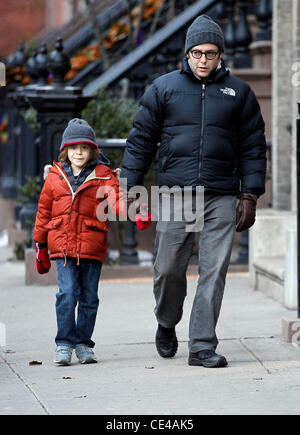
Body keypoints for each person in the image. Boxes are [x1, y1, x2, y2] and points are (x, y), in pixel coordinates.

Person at [120, 15, 267, 368]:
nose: (203, 60)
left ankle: (201, 345)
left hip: (220, 194)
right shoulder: (163, 88)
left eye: (211, 53)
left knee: (213, 271)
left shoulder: (240, 92)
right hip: (175, 193)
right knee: (168, 268)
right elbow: (141, 141)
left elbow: (253, 148)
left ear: (221, 55)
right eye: (197, 53)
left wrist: (250, 194)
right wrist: (129, 186)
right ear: (187, 54)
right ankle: (167, 321)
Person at [33, 118, 127, 366]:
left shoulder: (104, 176)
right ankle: (64, 343)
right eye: (73, 147)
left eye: (84, 148)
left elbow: (115, 200)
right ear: (66, 149)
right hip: (62, 247)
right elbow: (43, 212)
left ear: (92, 150)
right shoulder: (55, 176)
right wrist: (40, 246)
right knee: (67, 293)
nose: (78, 152)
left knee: (89, 297)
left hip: (91, 245)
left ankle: (83, 343)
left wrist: (134, 210)